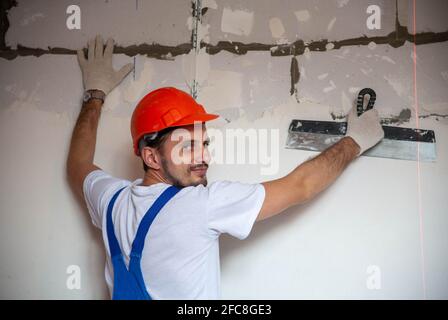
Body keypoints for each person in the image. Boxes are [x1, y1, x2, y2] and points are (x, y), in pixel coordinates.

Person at [66, 35, 384, 299]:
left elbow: (78, 163)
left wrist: (95, 94)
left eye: (204, 144)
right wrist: (356, 140)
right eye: (187, 147)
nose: (203, 157)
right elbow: (300, 185)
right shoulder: (202, 206)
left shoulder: (111, 200)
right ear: (151, 157)